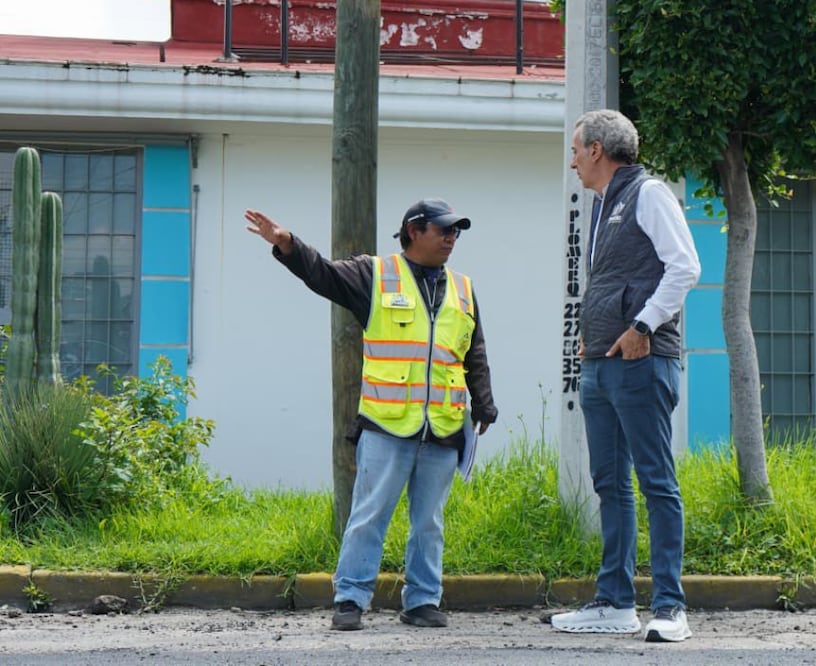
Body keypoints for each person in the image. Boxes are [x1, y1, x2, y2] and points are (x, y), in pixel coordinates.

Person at [245, 198, 498, 631]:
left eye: (456, 231)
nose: (452, 238)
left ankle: (422, 601)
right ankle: (350, 599)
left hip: (442, 424)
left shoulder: (462, 286)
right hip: (387, 423)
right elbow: (322, 274)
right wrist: (287, 245)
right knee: (369, 514)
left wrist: (484, 404)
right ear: (414, 231)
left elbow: (473, 351)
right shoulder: (375, 275)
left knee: (429, 523)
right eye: (444, 230)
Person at [550, 110, 701, 642]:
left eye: (575, 150)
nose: (571, 161)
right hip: (600, 365)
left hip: (642, 360)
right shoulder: (602, 203)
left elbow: (685, 267)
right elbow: (613, 278)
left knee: (656, 483)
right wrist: (592, 333)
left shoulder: (649, 193)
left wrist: (642, 326)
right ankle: (614, 603)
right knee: (609, 483)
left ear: (596, 150)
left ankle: (669, 607)